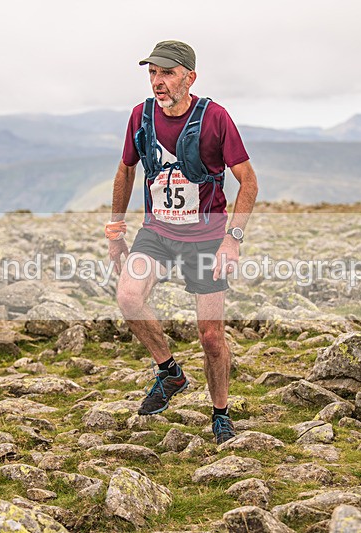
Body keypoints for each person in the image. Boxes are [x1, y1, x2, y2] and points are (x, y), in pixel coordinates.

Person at [106, 40, 258, 444]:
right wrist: (115, 230)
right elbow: (126, 171)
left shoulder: (215, 118)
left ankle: (221, 413)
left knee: (210, 336)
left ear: (189, 77)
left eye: (167, 73)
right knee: (128, 296)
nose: (158, 81)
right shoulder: (141, 116)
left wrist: (233, 238)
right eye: (153, 72)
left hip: (206, 238)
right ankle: (170, 373)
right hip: (157, 232)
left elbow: (249, 181)